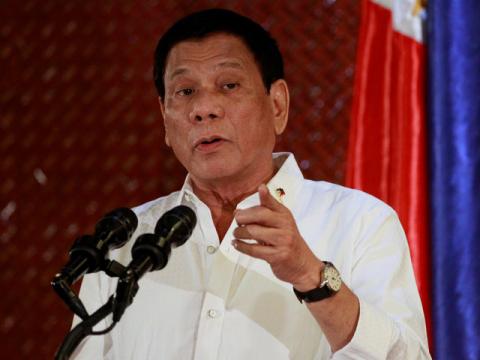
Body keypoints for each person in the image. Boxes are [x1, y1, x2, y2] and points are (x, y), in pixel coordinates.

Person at [72, 8, 431, 359]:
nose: (204, 108)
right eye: (185, 91)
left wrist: (310, 274)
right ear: (165, 119)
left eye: (229, 85)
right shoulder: (126, 241)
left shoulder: (360, 223)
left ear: (277, 105)